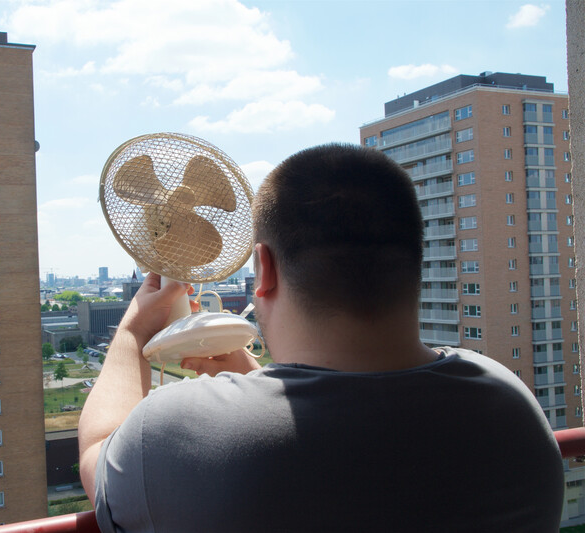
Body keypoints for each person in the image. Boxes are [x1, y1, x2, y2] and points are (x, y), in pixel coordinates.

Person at [79, 143, 563, 532]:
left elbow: (98, 453)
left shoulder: (173, 433)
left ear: (263, 268)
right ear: (416, 263)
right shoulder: (511, 405)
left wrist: (133, 331)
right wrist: (260, 382)